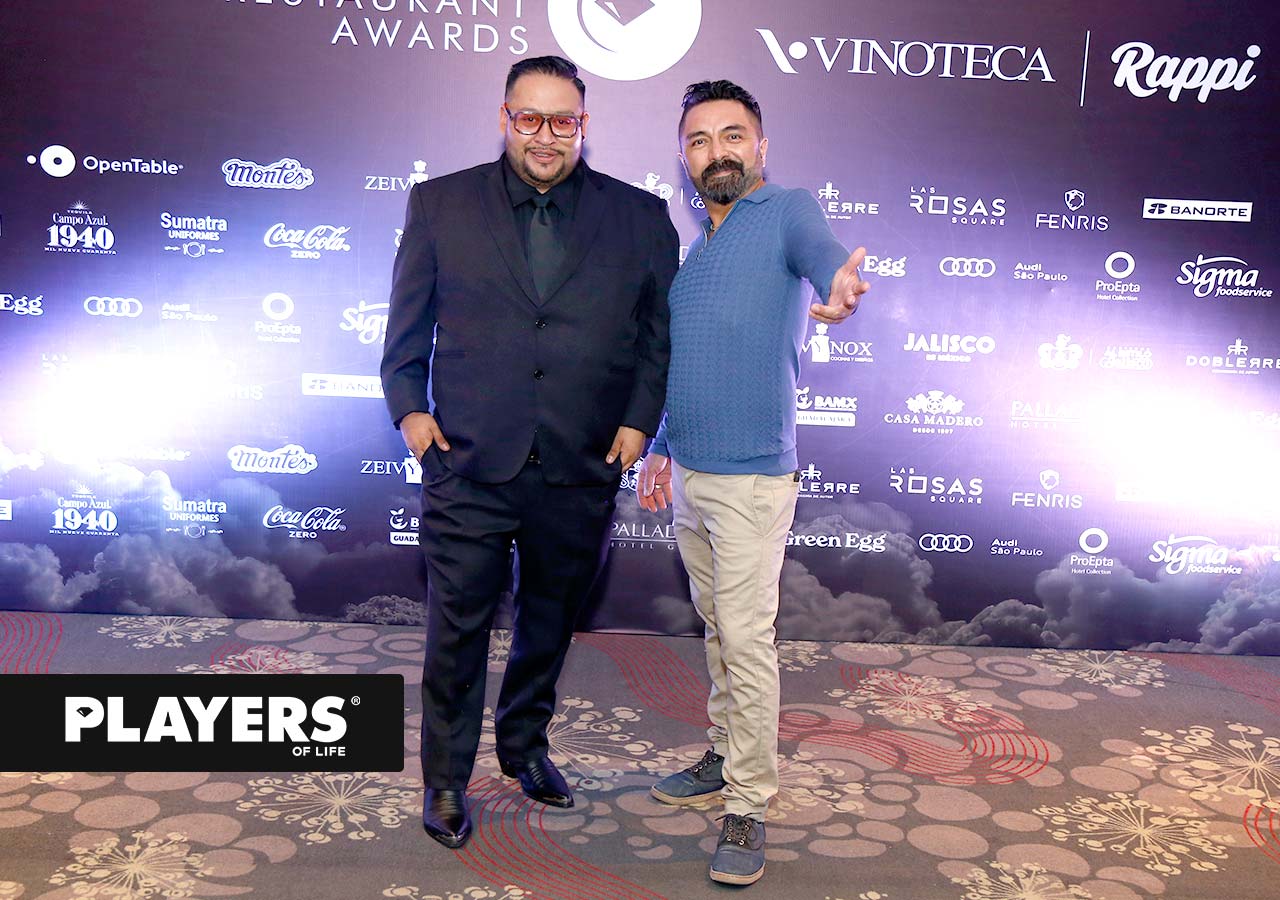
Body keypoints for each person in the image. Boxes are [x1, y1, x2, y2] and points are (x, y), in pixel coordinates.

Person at [382, 55, 678, 850]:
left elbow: (658, 339)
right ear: (505, 118)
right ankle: (446, 779)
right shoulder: (441, 204)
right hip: (468, 460)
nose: (545, 135)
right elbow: (405, 332)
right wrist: (411, 414)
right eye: (529, 118)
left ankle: (523, 746)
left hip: (583, 464)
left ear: (584, 124)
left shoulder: (641, 216)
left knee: (549, 624)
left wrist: (639, 423)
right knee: (457, 631)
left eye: (563, 120)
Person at [636, 80, 869, 886]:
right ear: (685, 157)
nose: (717, 152)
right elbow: (688, 362)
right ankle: (723, 752)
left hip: (752, 483)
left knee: (745, 638)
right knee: (718, 629)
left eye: (732, 135)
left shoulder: (787, 211)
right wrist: (660, 447)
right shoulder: (697, 248)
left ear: (759, 146)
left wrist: (839, 285)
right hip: (691, 475)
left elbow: (825, 256)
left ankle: (749, 802)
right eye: (699, 140)